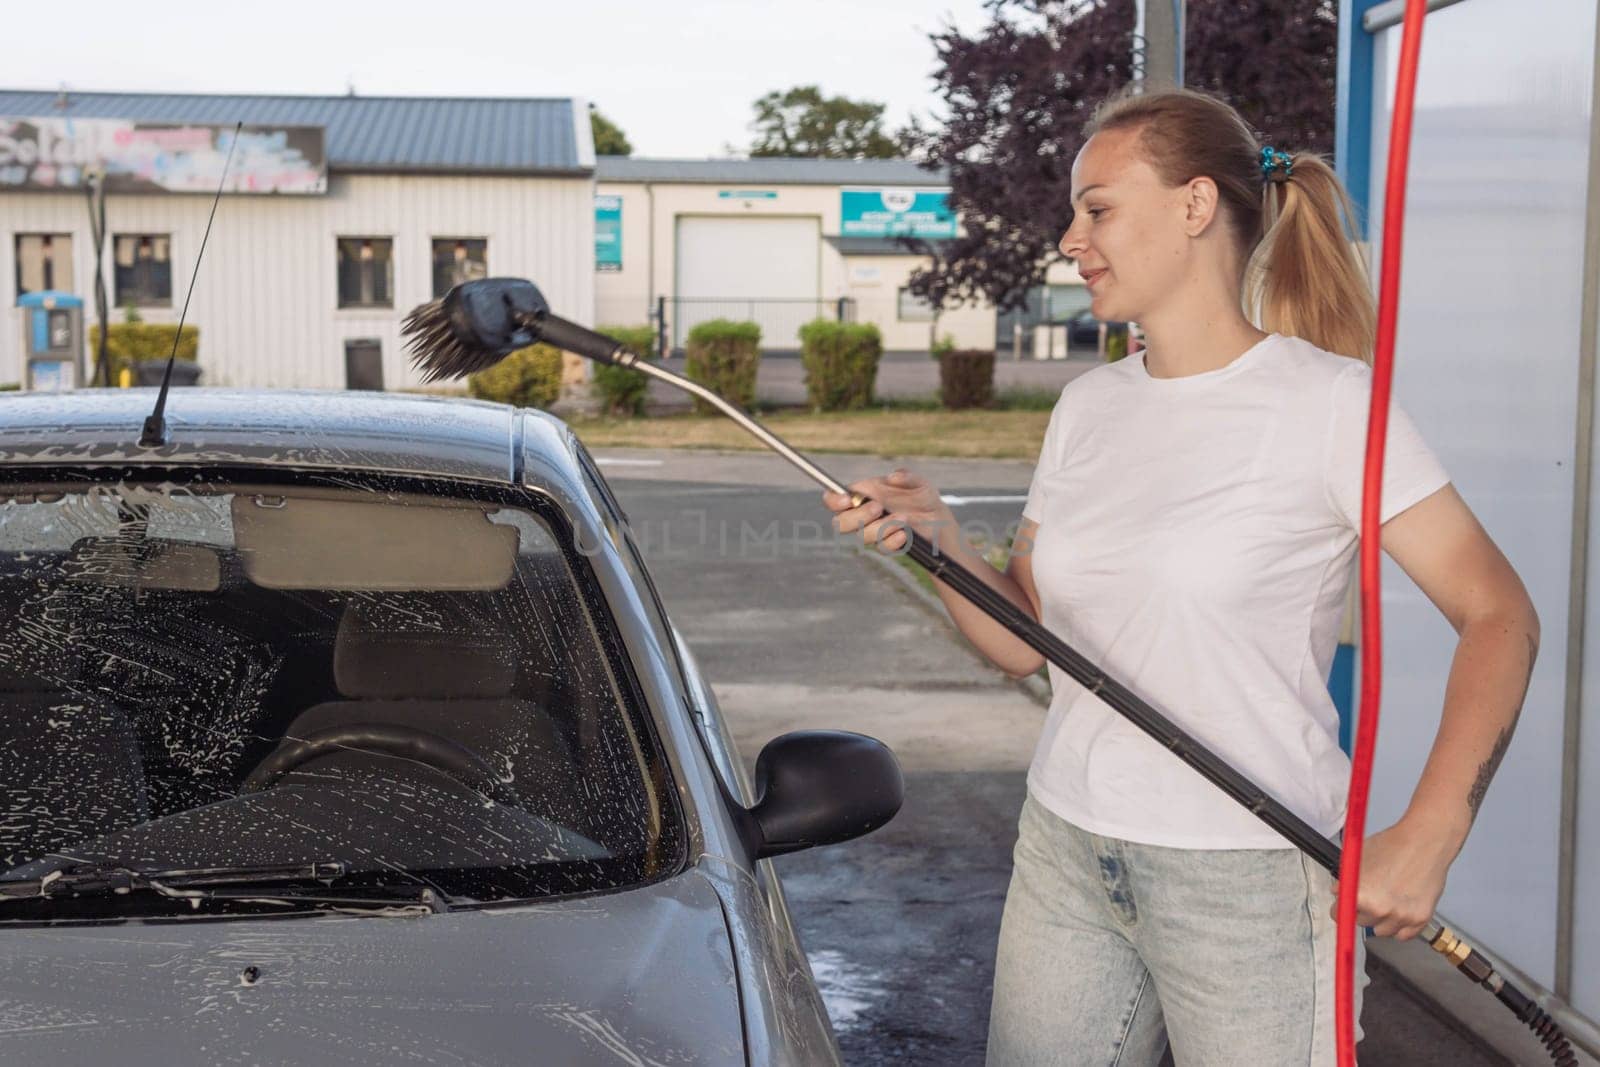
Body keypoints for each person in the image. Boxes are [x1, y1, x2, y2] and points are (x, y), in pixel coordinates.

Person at [823, 87, 1539, 1066]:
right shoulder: (1090, 405)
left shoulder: (1329, 404)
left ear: (1195, 206)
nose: (1071, 238)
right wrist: (937, 539)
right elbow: (1025, 638)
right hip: (1069, 840)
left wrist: (1428, 829)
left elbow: (1498, 611)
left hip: (1247, 876)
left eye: (1098, 207)